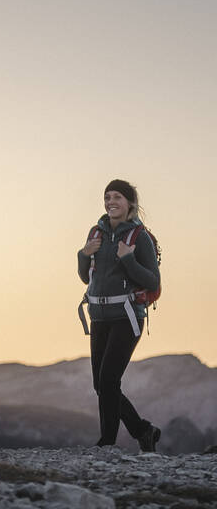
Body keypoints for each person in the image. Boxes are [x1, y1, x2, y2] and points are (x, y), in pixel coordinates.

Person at [77, 179, 161, 452]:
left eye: (117, 197)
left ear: (130, 203)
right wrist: (83, 254)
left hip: (127, 316)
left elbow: (153, 281)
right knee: (100, 384)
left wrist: (128, 259)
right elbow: (85, 277)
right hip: (99, 316)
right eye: (107, 197)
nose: (111, 202)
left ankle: (107, 443)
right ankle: (143, 431)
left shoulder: (139, 237)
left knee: (109, 380)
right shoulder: (96, 233)